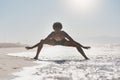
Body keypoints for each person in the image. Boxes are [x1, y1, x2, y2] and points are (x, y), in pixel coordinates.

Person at [25, 22, 91, 60]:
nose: (57, 31)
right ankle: (36, 56)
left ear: (61, 28)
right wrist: (31, 47)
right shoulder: (52, 34)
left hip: (63, 42)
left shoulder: (64, 33)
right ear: (53, 29)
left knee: (76, 45)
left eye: (58, 29)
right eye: (55, 29)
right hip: (54, 42)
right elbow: (43, 41)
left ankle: (85, 57)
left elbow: (73, 41)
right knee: (42, 40)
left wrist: (83, 46)